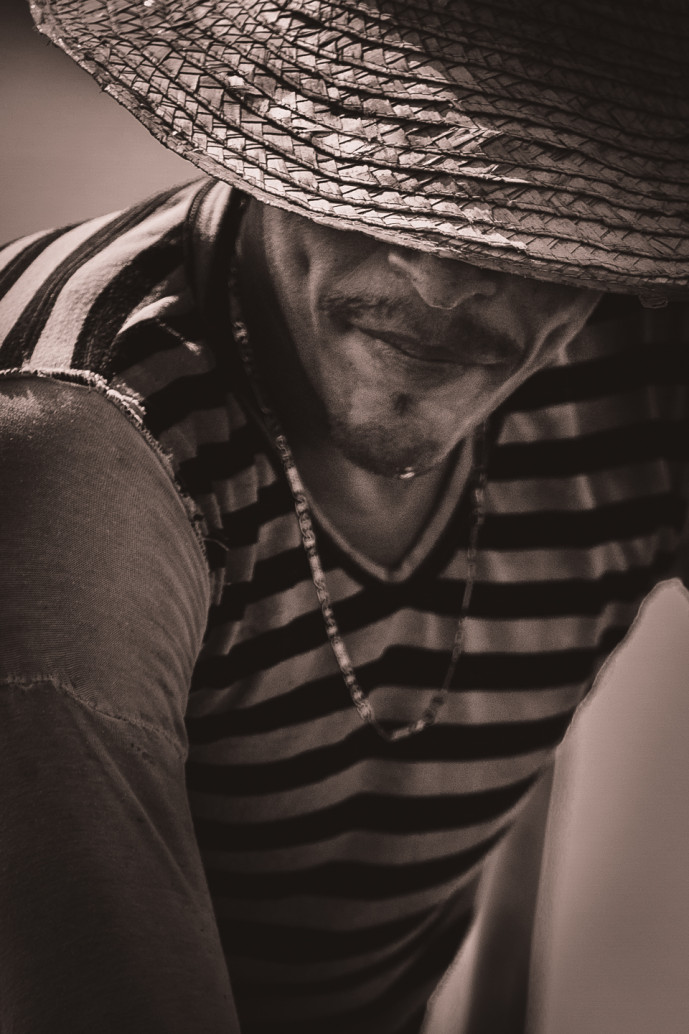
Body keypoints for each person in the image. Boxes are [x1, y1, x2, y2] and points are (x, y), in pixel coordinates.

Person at [0, 1, 687, 1032]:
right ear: (273, 134)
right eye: (395, 175)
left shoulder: (636, 372)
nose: (443, 279)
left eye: (541, 220)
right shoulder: (68, 421)